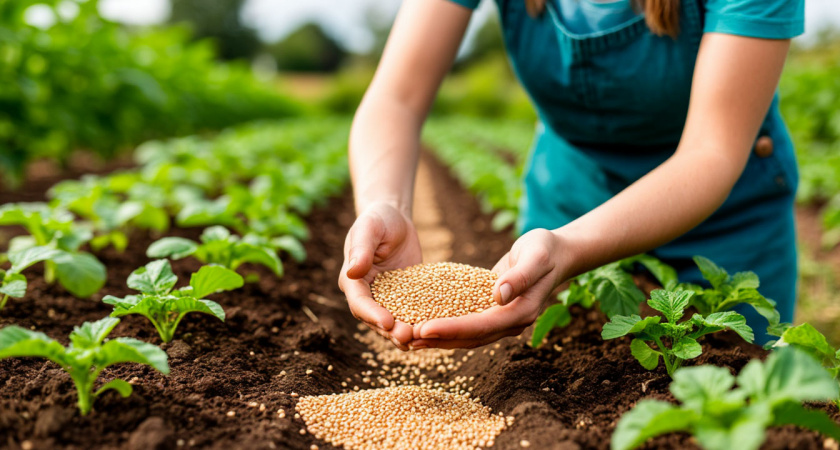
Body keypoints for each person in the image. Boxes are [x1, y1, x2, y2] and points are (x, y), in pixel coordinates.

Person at [339, 0, 804, 350]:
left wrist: (568, 250)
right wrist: (387, 205)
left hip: (723, 226)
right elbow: (395, 99)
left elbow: (711, 151)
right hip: (568, 206)